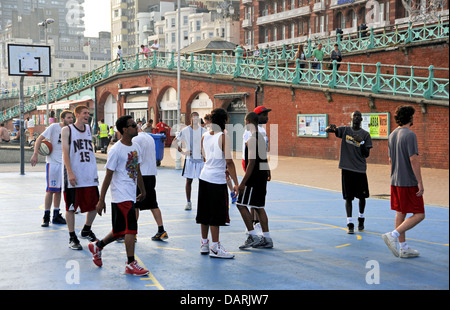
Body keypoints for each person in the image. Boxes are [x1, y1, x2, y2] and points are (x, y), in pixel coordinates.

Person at [88, 115, 149, 276]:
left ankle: (98, 246)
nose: (137, 127)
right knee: (131, 229)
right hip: (121, 195)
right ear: (124, 129)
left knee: (120, 231)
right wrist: (101, 200)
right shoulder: (115, 150)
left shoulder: (135, 147)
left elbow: (137, 170)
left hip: (130, 193)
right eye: (133, 125)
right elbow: (108, 176)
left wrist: (143, 190)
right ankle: (130, 263)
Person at [382, 105, 425, 258]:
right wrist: (419, 181)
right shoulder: (410, 135)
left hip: (395, 180)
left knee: (401, 212)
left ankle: (403, 247)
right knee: (420, 214)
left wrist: (394, 176)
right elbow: (413, 159)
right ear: (410, 118)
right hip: (408, 182)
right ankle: (393, 235)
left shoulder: (392, 135)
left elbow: (390, 160)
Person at [197, 108, 239, 259]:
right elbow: (229, 161)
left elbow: (205, 158)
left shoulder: (204, 136)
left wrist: (218, 165)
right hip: (216, 179)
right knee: (215, 213)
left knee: (204, 212)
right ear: (225, 121)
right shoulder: (224, 137)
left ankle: (204, 244)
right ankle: (215, 247)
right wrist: (236, 182)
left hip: (204, 176)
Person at [326, 111, 373, 234]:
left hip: (360, 169)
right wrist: (330, 128)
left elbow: (366, 154)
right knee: (348, 198)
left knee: (362, 197)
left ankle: (361, 218)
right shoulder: (345, 130)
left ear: (361, 119)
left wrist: (361, 143)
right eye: (354, 116)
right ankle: (350, 223)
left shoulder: (365, 134)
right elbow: (332, 130)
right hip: (347, 168)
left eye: (358, 116)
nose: (356, 117)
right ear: (351, 118)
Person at [61, 105, 99, 250]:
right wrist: (69, 171)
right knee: (71, 207)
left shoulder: (89, 129)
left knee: (95, 205)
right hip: (74, 174)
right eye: (84, 113)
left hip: (89, 173)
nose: (87, 115)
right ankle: (72, 237)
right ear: (77, 114)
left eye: (88, 113)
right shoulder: (67, 130)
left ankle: (86, 229)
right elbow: (65, 153)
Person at [31, 110, 74, 227]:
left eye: (72, 117)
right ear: (62, 118)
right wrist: (35, 153)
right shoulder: (54, 127)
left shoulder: (71, 129)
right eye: (69, 117)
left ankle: (56, 214)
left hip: (64, 164)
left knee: (59, 190)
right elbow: (39, 139)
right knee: (50, 190)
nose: (71, 119)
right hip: (53, 163)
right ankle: (46, 216)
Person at [237, 112, 273, 249]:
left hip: (253, 177)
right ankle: (267, 239)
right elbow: (263, 158)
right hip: (262, 175)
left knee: (240, 204)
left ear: (249, 121)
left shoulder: (252, 139)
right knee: (259, 207)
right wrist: (268, 171)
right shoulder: (261, 137)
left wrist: (243, 183)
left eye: (245, 121)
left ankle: (252, 236)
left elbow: (251, 163)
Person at [133, 125, 168, 241]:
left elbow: (135, 158)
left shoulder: (135, 139)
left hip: (141, 175)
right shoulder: (149, 137)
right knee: (153, 203)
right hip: (151, 173)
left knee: (135, 205)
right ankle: (161, 229)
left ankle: (132, 233)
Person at [173, 112, 207, 211]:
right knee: (189, 181)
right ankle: (188, 202)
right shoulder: (185, 131)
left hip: (201, 160)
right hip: (190, 159)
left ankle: (203, 202)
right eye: (194, 117)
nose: (195, 119)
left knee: (203, 181)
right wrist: (183, 152)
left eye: (197, 117)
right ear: (191, 118)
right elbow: (175, 142)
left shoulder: (204, 131)